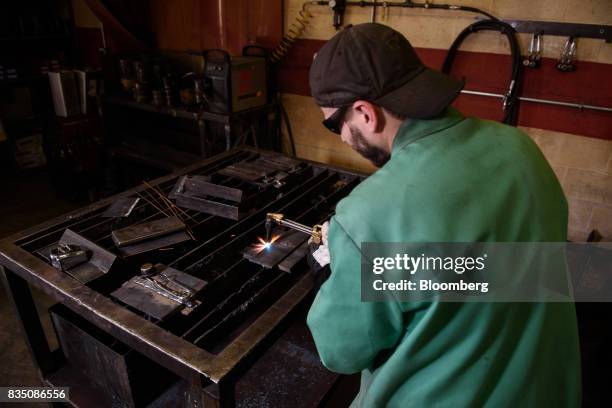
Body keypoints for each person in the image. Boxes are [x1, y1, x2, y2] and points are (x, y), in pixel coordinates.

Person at [305, 23, 581, 407]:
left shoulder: (369, 214)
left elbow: (340, 353)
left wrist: (340, 266)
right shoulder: (522, 149)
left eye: (335, 124)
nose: (343, 138)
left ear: (365, 113)